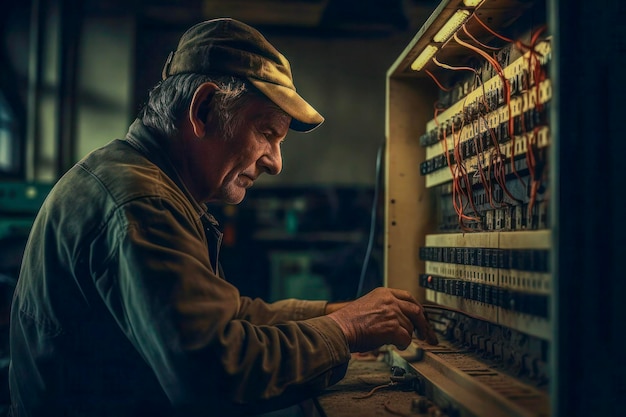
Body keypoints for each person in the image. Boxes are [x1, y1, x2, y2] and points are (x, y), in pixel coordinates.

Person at [8, 18, 438, 417]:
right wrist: (345, 329)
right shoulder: (142, 201)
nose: (276, 163)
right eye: (268, 133)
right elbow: (216, 372)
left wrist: (333, 312)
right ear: (203, 109)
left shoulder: (145, 181)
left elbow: (226, 314)